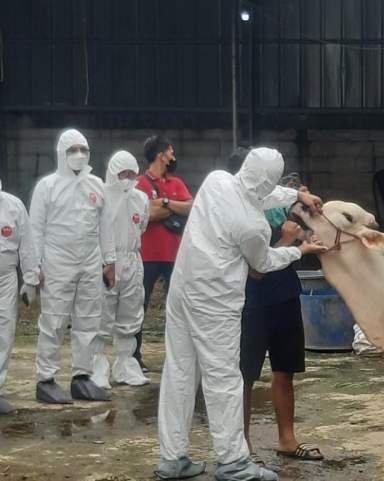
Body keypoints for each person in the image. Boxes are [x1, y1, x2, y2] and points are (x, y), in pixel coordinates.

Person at [155, 147, 327, 481]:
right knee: (224, 378)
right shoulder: (253, 227)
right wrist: (299, 250)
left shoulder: (216, 181)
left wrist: (298, 195)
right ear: (270, 181)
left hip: (183, 290)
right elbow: (263, 263)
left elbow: (256, 192)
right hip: (214, 301)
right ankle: (233, 461)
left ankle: (173, 457)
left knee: (179, 372)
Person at [21, 129, 116, 404]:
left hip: (90, 262)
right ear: (61, 154)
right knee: (54, 321)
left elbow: (105, 225)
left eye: (83, 149)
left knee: (89, 320)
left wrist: (110, 261)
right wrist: (34, 268)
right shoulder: (47, 187)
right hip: (57, 262)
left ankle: (82, 377)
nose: (79, 155)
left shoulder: (96, 185)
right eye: (73, 150)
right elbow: (35, 229)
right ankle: (45, 380)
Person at [239, 170, 324, 464]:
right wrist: (288, 240)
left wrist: (306, 228)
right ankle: (242, 445)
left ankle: (287, 440)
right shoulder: (246, 217)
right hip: (252, 302)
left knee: (285, 370)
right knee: (245, 375)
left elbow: (306, 240)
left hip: (286, 296)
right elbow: (256, 270)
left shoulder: (284, 215)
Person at [90, 151, 150, 388]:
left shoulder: (141, 199)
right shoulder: (101, 196)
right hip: (106, 260)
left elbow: (142, 226)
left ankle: (125, 365)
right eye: (123, 174)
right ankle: (96, 367)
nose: (127, 179)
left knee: (130, 314)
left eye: (132, 174)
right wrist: (106, 259)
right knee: (102, 315)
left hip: (132, 261)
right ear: (113, 173)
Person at [134, 135, 192, 370]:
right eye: (170, 152)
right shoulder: (139, 183)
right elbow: (147, 213)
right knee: (138, 306)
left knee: (177, 308)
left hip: (174, 256)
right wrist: (172, 208)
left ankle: (176, 356)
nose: (173, 156)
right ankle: (133, 356)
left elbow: (191, 207)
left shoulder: (176, 182)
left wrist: (164, 202)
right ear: (161, 155)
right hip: (146, 255)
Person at [0, 176, 36, 415]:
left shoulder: (13, 205)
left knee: (5, 328)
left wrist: (31, 279)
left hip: (6, 276)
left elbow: (27, 244)